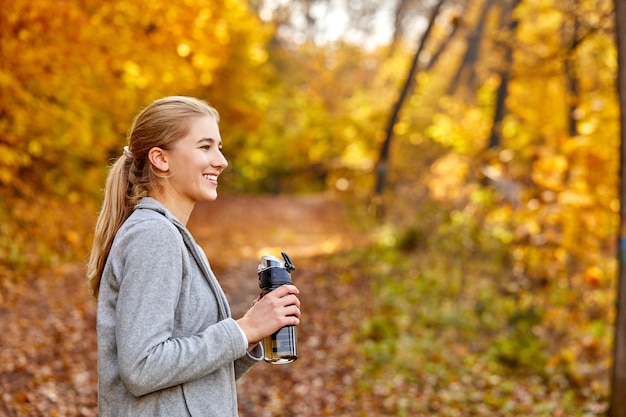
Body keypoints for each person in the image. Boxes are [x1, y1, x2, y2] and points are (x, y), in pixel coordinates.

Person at [86, 96, 301, 416]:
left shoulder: (170, 236)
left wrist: (252, 336)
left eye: (220, 147)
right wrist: (243, 330)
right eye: (205, 147)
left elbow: (189, 380)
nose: (221, 160)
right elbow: (142, 368)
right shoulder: (153, 236)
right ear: (161, 159)